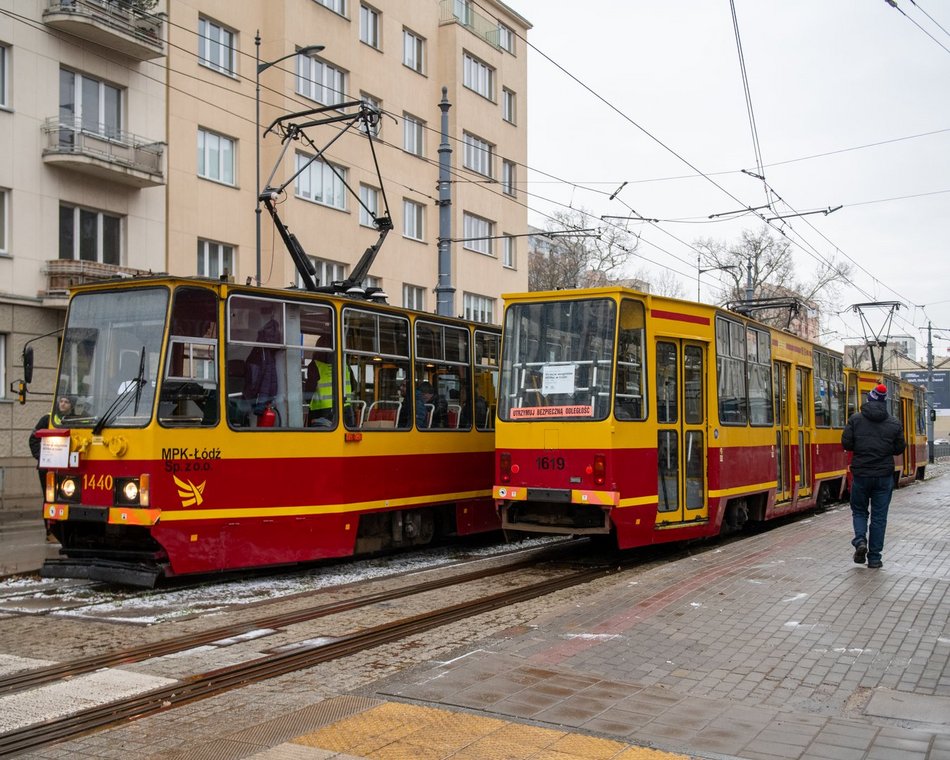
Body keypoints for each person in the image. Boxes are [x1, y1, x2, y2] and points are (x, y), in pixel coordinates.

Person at [841, 383, 905, 569]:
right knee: (879, 517)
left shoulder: (855, 419)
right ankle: (875, 558)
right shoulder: (894, 423)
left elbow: (846, 443)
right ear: (884, 402)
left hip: (861, 474)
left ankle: (860, 540)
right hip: (884, 476)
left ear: (869, 399)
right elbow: (899, 448)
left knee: (859, 511)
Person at [29, 413, 51, 493]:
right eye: (61, 401)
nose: (63, 405)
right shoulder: (47, 419)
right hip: (47, 467)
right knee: (48, 496)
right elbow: (33, 439)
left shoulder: (75, 419)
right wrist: (41, 457)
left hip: (70, 467)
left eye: (66, 403)